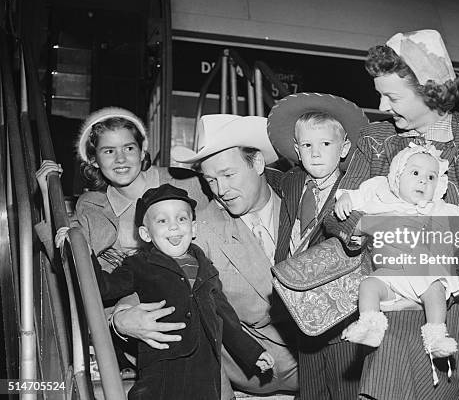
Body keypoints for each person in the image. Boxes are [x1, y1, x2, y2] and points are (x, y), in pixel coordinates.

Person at [323, 29, 459, 399]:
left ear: (430, 90)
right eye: (380, 96)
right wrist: (366, 229)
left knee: (415, 361)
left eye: (392, 96)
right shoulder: (375, 138)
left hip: (452, 288)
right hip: (380, 277)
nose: (383, 107)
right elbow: (335, 215)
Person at [116, 114, 299, 399]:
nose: (221, 190)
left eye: (228, 175)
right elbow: (154, 274)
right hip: (255, 375)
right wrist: (121, 318)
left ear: (259, 163)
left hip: (322, 365)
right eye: (211, 180)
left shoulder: (303, 199)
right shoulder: (201, 228)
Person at [37, 106, 209, 369]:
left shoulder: (184, 183)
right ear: (94, 160)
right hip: (131, 309)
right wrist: (47, 197)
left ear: (142, 152)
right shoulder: (92, 205)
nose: (121, 159)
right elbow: (71, 262)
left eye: (128, 148)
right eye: (108, 151)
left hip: (197, 296)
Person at [91, 183, 274, 399]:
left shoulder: (207, 267)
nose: (174, 227)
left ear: (194, 228)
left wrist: (252, 352)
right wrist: (84, 254)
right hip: (163, 370)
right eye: (162, 221)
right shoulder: (139, 265)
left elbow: (225, 316)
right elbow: (103, 287)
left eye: (181, 219)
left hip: (205, 372)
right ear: (145, 234)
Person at [335, 143, 459, 384]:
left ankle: (436, 335)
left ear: (439, 184)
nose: (423, 181)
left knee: (435, 288)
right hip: (391, 274)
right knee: (368, 285)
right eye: (415, 173)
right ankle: (370, 324)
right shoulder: (382, 196)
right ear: (397, 177)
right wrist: (345, 198)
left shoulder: (443, 210)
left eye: (431, 177)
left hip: (423, 272)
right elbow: (355, 198)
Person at [266, 93, 369, 400]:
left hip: (341, 309)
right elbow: (265, 176)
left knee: (344, 389)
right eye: (307, 146)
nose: (316, 153)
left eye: (326, 144)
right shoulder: (293, 182)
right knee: (310, 389)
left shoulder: (355, 190)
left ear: (344, 149)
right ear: (297, 150)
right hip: (300, 306)